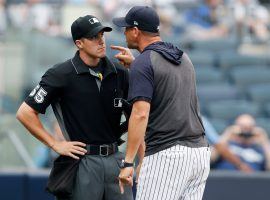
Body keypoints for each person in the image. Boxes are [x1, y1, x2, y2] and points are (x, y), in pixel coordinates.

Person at [16, 15, 133, 200]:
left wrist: (131, 162)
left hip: (115, 161)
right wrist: (55, 143)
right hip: (82, 162)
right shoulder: (60, 74)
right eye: (94, 37)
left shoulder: (120, 72)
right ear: (79, 43)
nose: (101, 41)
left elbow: (138, 115)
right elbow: (25, 112)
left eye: (102, 35)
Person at [111, 6, 211, 200]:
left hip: (168, 156)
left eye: (126, 28)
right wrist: (136, 66)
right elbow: (164, 80)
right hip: (199, 153)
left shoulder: (144, 62)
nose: (124, 32)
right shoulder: (183, 57)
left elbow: (140, 114)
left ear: (136, 31)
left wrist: (128, 162)